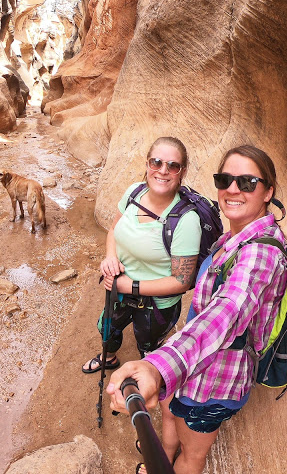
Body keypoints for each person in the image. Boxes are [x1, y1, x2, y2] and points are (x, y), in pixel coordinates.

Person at [107, 145, 287, 474]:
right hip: (193, 361)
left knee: (192, 455)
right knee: (168, 408)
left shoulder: (259, 254)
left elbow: (228, 311)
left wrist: (157, 368)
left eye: (248, 182)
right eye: (225, 179)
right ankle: (161, 455)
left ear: (268, 191)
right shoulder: (233, 238)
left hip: (216, 381)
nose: (233, 189)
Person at [82, 137, 202, 457]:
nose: (163, 170)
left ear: (182, 172)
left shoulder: (185, 221)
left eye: (172, 165)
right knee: (107, 328)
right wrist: (110, 258)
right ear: (147, 165)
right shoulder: (133, 193)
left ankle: (144, 403)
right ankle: (109, 357)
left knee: (150, 351)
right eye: (156, 163)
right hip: (119, 290)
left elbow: (181, 281)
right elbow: (114, 231)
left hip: (155, 305)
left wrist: (129, 286)